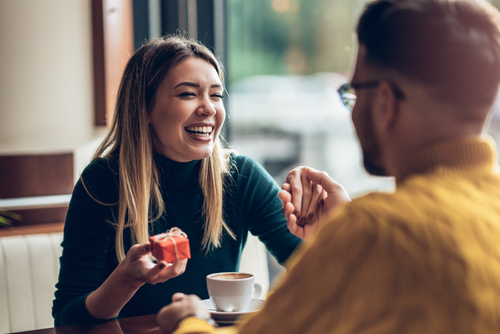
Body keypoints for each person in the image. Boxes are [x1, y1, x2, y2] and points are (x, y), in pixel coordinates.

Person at [157, 0, 500, 333]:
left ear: (384, 102)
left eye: (352, 92)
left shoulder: (378, 228)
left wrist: (191, 323)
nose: (350, 109)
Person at [52, 35, 306, 326]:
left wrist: (323, 228)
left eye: (216, 95)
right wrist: (126, 280)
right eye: (188, 94)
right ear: (144, 108)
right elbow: (67, 319)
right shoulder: (101, 183)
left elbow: (324, 275)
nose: (209, 109)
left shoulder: (242, 177)